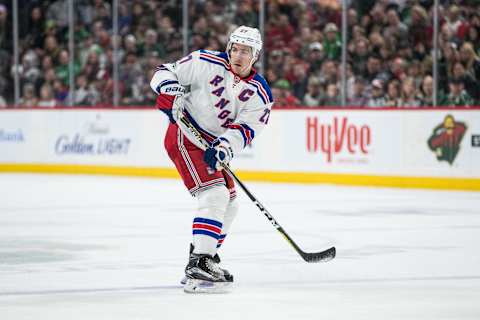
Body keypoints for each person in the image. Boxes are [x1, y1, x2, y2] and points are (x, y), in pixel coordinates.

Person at [149, 25, 273, 293]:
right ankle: (200, 261)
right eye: (235, 49)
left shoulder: (260, 93)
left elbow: (246, 129)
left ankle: (203, 258)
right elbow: (163, 72)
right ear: (229, 48)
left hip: (211, 145)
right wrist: (169, 91)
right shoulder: (204, 61)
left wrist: (225, 147)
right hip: (184, 135)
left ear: (256, 56)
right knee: (215, 196)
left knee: (230, 204)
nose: (238, 55)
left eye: (246, 51)